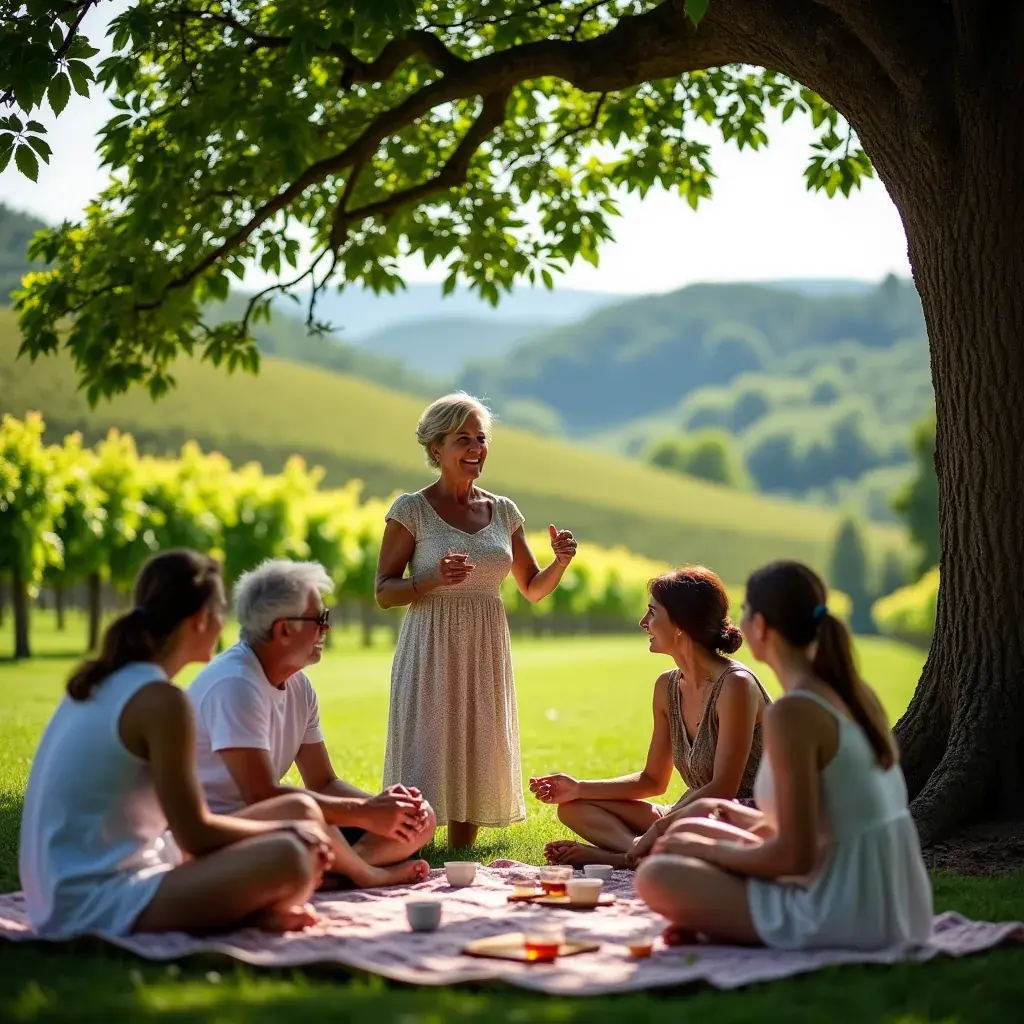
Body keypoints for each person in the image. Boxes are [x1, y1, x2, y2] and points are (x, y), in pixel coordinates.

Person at [19, 550, 336, 939]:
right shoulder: (161, 701)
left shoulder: (107, 681)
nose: (225, 624)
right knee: (290, 855)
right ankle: (247, 909)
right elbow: (196, 836)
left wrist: (290, 823)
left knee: (294, 813)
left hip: (64, 891)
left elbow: (183, 833)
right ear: (200, 621)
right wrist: (291, 831)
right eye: (219, 612)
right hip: (93, 901)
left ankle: (248, 911)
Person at [635, 560, 933, 950]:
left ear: (761, 627)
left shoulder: (793, 714)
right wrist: (729, 820)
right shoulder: (853, 693)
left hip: (846, 914)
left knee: (657, 875)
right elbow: (824, 820)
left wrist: (705, 850)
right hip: (895, 907)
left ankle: (723, 920)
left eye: (744, 613)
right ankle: (717, 911)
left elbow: (795, 857)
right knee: (690, 829)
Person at [375, 392, 578, 849]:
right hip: (430, 640)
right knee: (430, 738)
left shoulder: (503, 511)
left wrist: (560, 562)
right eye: (463, 439)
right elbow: (384, 591)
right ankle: (413, 837)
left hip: (486, 642)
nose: (475, 448)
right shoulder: (410, 510)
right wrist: (431, 578)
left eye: (481, 439)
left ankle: (462, 850)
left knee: (477, 740)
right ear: (436, 449)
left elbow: (532, 588)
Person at [188, 558, 435, 889]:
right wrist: (366, 811)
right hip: (224, 832)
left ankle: (337, 872)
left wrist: (385, 809)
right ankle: (359, 872)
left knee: (422, 819)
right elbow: (262, 796)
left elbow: (323, 781)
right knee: (304, 813)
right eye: (319, 619)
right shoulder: (235, 684)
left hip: (280, 824)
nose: (326, 628)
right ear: (284, 629)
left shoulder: (298, 686)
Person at [532, 566, 771, 868]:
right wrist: (578, 786)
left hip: (744, 819)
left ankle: (625, 857)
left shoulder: (735, 685)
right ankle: (636, 852)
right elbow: (653, 780)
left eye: (652, 613)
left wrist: (660, 827)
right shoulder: (667, 686)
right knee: (571, 807)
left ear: (681, 624)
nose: (643, 622)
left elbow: (724, 789)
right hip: (691, 812)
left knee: (693, 836)